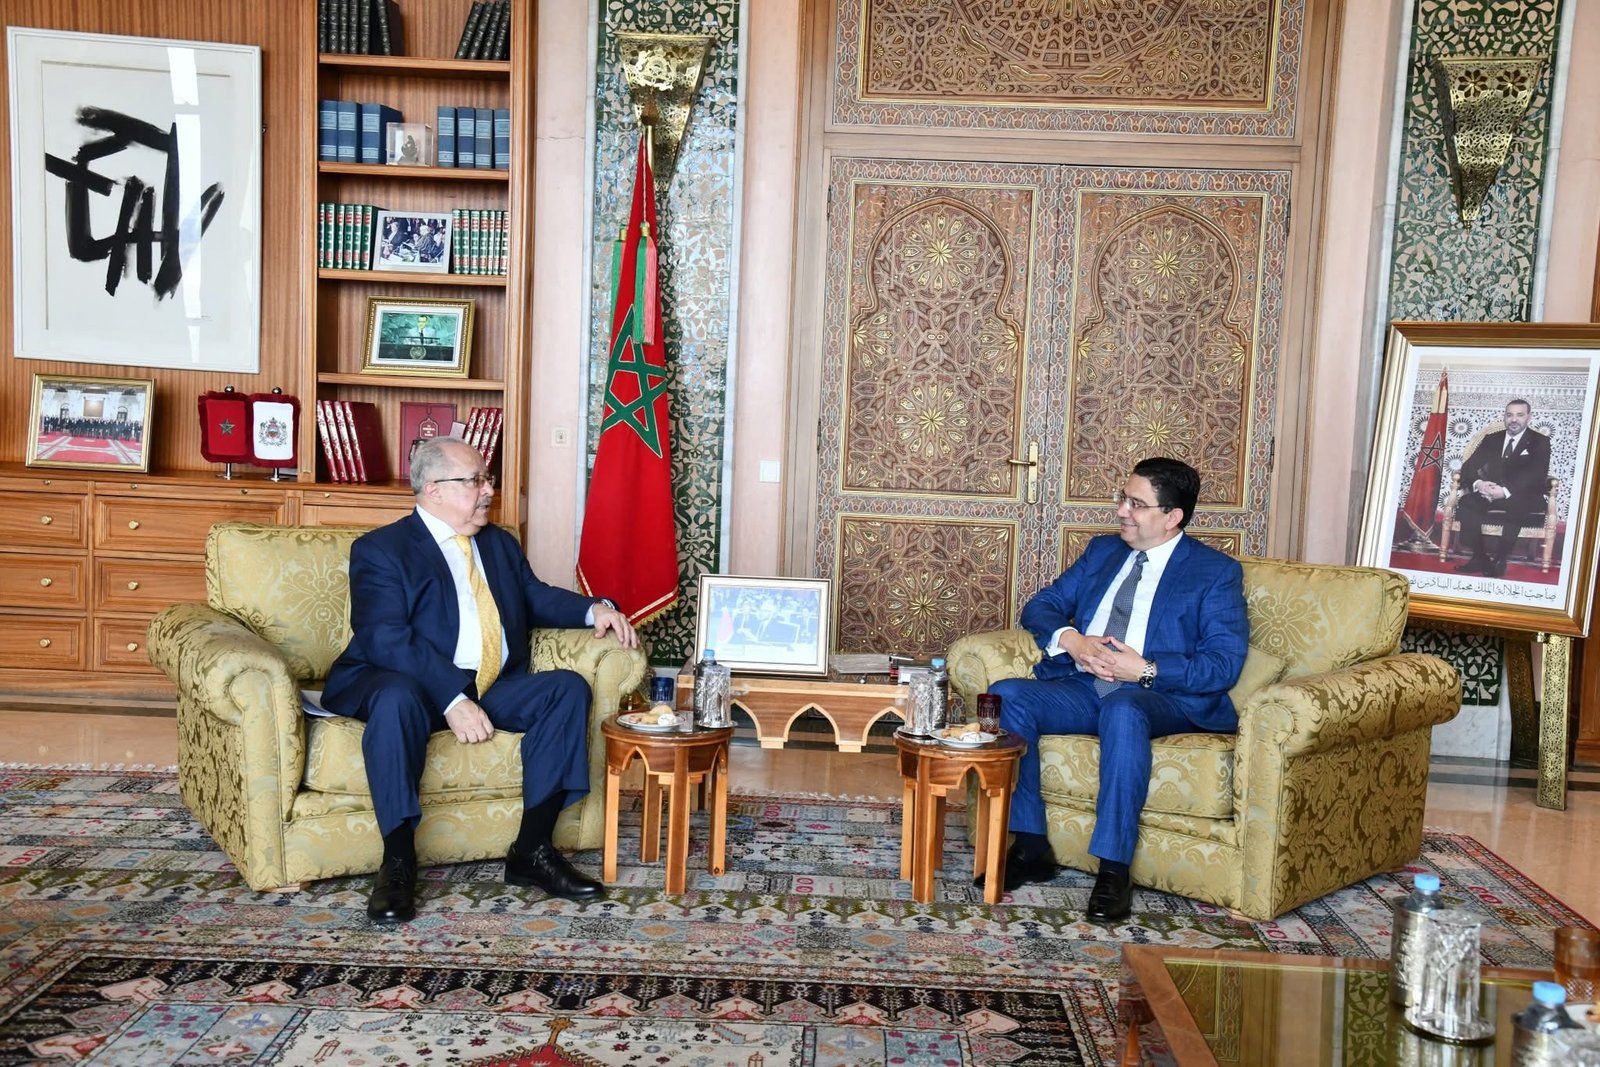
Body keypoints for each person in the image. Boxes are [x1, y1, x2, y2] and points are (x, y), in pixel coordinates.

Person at [321, 436, 639, 924]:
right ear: (434, 490)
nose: (489, 490)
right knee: (397, 698)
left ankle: (532, 851)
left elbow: (533, 597)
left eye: (486, 479)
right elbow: (386, 638)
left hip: (488, 681)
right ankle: (398, 862)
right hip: (402, 680)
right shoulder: (382, 549)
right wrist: (451, 698)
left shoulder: (498, 543)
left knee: (566, 689)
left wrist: (594, 609)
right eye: (475, 481)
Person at [989, 456, 1248, 922]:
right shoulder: (1103, 552)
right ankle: (1030, 846)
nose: (1122, 511)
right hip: (1085, 685)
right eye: (1123, 498)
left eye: (1137, 504)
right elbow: (1042, 606)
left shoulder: (1214, 572)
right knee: (1007, 694)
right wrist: (1073, 640)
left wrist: (1145, 670)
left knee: (1124, 709)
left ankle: (1113, 870)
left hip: (1162, 697)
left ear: (1172, 517)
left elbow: (1222, 665)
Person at [1452, 398, 1551, 578]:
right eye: (1509, 415)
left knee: (1517, 505)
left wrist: (1505, 492)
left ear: (1529, 417)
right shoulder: (1492, 439)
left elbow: (1536, 474)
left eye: (1519, 415)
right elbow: (1468, 467)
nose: (1514, 419)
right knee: (1467, 502)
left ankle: (1500, 559)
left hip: (1523, 495)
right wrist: (1480, 484)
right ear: (1504, 416)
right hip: (1491, 492)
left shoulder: (1540, 441)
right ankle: (1479, 557)